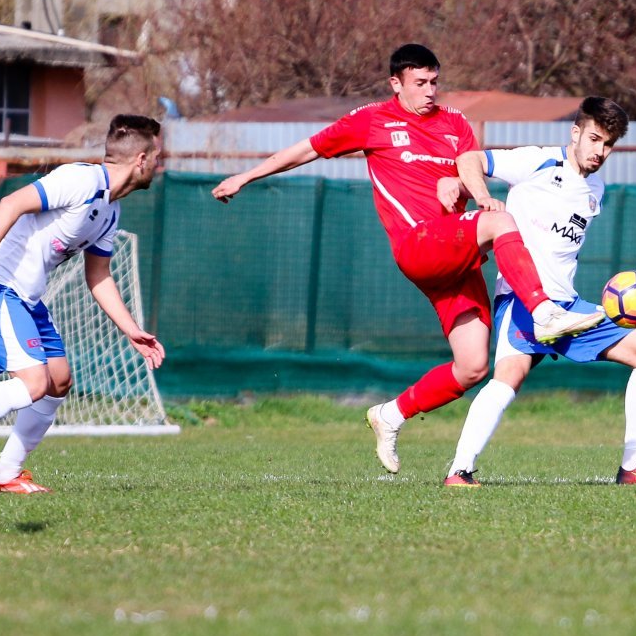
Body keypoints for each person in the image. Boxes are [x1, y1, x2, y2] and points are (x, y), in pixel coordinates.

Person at [212, 44, 603, 473]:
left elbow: (468, 169)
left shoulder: (455, 123)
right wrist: (247, 176)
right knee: (499, 218)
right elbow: (306, 150)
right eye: (420, 83)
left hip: (456, 255)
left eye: (434, 81)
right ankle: (544, 311)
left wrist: (456, 181)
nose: (430, 91)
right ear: (395, 84)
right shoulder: (372, 120)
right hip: (417, 245)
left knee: (472, 366)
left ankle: (389, 415)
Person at [0, 114, 166, 493]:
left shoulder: (110, 211)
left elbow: (98, 274)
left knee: (58, 381)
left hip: (26, 297)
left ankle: (6, 474)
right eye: (158, 155)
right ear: (140, 160)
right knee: (34, 382)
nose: (160, 163)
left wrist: (131, 330)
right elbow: (10, 203)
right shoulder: (81, 180)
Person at [440, 96, 636, 487]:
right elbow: (470, 158)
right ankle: (459, 471)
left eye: (608, 144)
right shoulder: (537, 161)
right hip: (524, 300)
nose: (600, 151)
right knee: (510, 373)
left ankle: (635, 466)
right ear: (575, 132)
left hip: (568, 306)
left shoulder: (596, 187)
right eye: (594, 139)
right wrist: (482, 195)